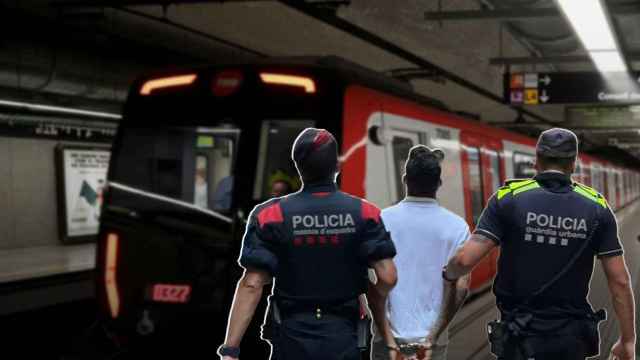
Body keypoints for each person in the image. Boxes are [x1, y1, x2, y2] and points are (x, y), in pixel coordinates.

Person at [443, 128, 636, 360]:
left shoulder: (508, 198)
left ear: (536, 161)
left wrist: (449, 275)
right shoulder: (596, 206)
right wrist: (627, 339)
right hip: (571, 335)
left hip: (518, 335)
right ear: (573, 164)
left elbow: (465, 260)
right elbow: (620, 281)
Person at [218, 128, 398, 360]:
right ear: (337, 166)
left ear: (298, 167)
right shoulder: (365, 213)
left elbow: (252, 284)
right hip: (343, 335)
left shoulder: (270, 215)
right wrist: (371, 293)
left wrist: (230, 349)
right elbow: (388, 277)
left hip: (291, 336)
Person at [370, 145, 470, 360]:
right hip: (431, 343)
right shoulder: (457, 226)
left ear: (405, 179)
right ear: (439, 184)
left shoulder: (382, 219)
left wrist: (387, 337)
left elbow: (371, 285)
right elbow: (461, 288)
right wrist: (433, 336)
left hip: (388, 341)